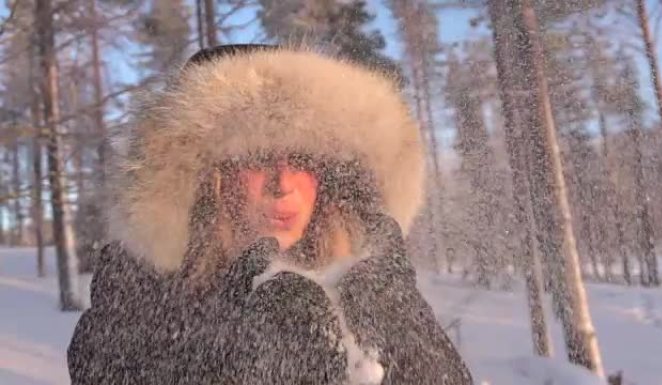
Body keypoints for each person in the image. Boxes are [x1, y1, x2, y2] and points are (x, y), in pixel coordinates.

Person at [67, 44, 473, 385]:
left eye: (302, 160)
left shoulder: (366, 281)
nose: (283, 184)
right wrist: (223, 351)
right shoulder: (142, 284)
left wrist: (402, 327)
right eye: (258, 159)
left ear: (330, 179)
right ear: (210, 177)